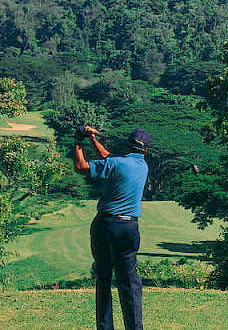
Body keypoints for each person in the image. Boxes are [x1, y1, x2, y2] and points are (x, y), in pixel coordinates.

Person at [74, 125, 151, 330]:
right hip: (130, 228)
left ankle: (105, 327)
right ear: (145, 151)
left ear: (127, 146)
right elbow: (109, 157)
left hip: (107, 225)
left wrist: (79, 140)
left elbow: (81, 167)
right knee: (129, 279)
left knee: (104, 276)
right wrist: (92, 139)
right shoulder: (142, 165)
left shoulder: (118, 163)